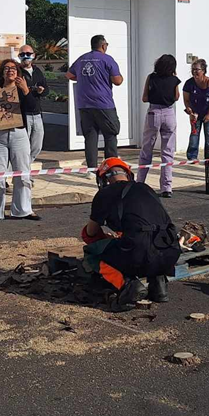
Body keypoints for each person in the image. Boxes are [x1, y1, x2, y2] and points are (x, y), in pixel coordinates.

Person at [81, 158, 181, 308]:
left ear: (104, 178)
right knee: (150, 240)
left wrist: (103, 238)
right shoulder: (146, 188)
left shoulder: (105, 194)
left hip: (139, 253)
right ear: (128, 174)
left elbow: (90, 232)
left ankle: (128, 285)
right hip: (170, 252)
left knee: (91, 253)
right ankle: (159, 286)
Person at [0, 59, 39, 223]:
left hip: (19, 134)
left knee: (22, 172)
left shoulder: (23, 88)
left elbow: (32, 108)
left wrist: (25, 90)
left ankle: (23, 209)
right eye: (7, 68)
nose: (10, 70)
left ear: (18, 71)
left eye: (13, 68)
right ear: (2, 72)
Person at [66, 34, 124, 172]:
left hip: (84, 105)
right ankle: (111, 168)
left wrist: (82, 78)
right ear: (103, 45)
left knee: (90, 137)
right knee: (111, 133)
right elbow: (118, 81)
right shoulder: (107, 59)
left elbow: (69, 75)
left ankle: (91, 170)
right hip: (104, 104)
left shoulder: (82, 59)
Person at [137, 54, 181, 197]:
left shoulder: (151, 77)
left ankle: (140, 183)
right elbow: (176, 97)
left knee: (146, 149)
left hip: (154, 112)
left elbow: (144, 98)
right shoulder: (174, 80)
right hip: (169, 114)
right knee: (168, 151)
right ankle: (166, 187)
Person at [182, 59, 209, 162]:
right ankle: (192, 156)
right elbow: (186, 99)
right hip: (196, 112)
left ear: (203, 70)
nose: (194, 71)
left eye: (197, 69)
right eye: (192, 69)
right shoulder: (189, 83)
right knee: (194, 132)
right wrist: (190, 110)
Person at [17, 44, 48, 164]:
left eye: (28, 54)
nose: (25, 57)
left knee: (37, 146)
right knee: (23, 148)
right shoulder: (17, 72)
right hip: (23, 114)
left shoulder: (37, 71)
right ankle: (24, 173)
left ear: (33, 56)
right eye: (22, 55)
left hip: (37, 114)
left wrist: (41, 91)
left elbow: (46, 89)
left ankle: (26, 168)